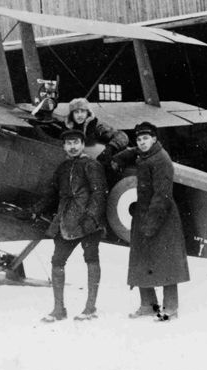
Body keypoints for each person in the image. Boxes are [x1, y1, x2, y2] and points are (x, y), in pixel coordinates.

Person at [111, 121, 189, 321]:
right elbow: (134, 152)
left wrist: (151, 224)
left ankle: (171, 307)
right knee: (140, 259)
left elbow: (162, 195)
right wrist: (119, 157)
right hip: (144, 214)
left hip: (161, 216)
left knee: (165, 262)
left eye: (146, 138)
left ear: (154, 139)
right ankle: (147, 305)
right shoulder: (146, 154)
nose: (142, 142)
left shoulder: (161, 160)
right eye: (139, 139)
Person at [31, 129, 108, 322]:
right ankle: (59, 309)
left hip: (89, 224)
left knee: (91, 259)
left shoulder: (92, 165)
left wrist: (90, 219)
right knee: (57, 261)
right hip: (67, 222)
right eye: (68, 143)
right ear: (64, 146)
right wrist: (35, 210)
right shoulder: (63, 167)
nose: (72, 146)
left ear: (82, 144)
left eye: (76, 142)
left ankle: (90, 308)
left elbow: (99, 194)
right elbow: (52, 193)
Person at [64, 97, 128, 166]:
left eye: (82, 111)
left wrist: (111, 148)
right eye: (76, 112)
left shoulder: (96, 125)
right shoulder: (68, 127)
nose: (80, 115)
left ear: (87, 113)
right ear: (72, 115)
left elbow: (122, 136)